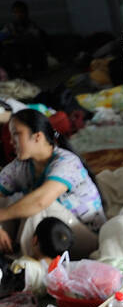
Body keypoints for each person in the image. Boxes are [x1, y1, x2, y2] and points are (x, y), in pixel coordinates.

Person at [0, 108, 104, 258]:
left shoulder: (67, 162)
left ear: (37, 137)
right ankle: (8, 254)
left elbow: (40, 202)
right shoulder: (20, 166)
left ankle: (23, 268)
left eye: (16, 134)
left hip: (86, 238)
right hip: (50, 236)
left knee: (37, 207)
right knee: (7, 201)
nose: (11, 141)